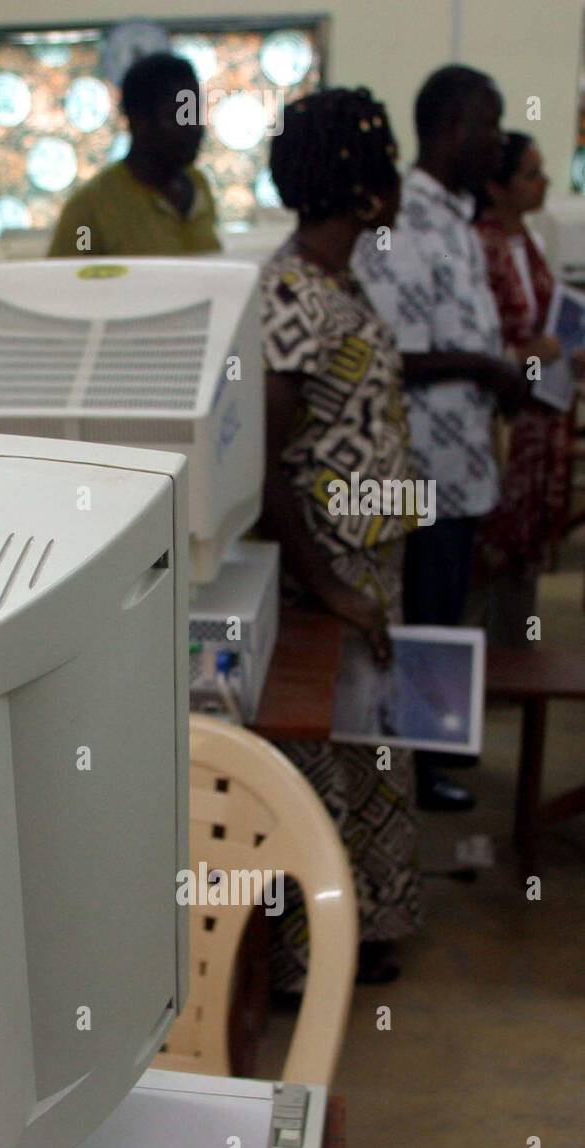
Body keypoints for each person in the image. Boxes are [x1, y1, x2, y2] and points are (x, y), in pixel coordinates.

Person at [260, 87, 420, 988]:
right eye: (385, 163)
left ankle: (365, 930)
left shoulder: (337, 282)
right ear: (363, 190)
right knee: (328, 757)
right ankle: (307, 959)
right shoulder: (291, 294)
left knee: (370, 749)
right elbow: (265, 460)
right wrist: (328, 587)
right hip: (328, 570)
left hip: (369, 558)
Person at [353, 65, 527, 813]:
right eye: (489, 124)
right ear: (452, 125)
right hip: (418, 463)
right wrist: (488, 365)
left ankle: (432, 761)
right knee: (420, 618)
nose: (498, 141)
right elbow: (394, 352)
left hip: (460, 464)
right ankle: (413, 773)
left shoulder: (455, 216)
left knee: (444, 617)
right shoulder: (399, 222)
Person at [472, 133, 577, 645]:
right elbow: (477, 341)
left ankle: (516, 648)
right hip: (501, 416)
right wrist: (524, 355)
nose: (544, 183)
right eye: (532, 174)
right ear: (497, 186)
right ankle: (488, 664)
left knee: (526, 544)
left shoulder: (528, 242)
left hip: (540, 412)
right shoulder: (478, 243)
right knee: (491, 543)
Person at [47, 52, 220, 258]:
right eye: (179, 117)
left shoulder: (197, 185)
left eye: (195, 114)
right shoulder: (89, 209)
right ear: (140, 122)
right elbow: (65, 284)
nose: (195, 128)